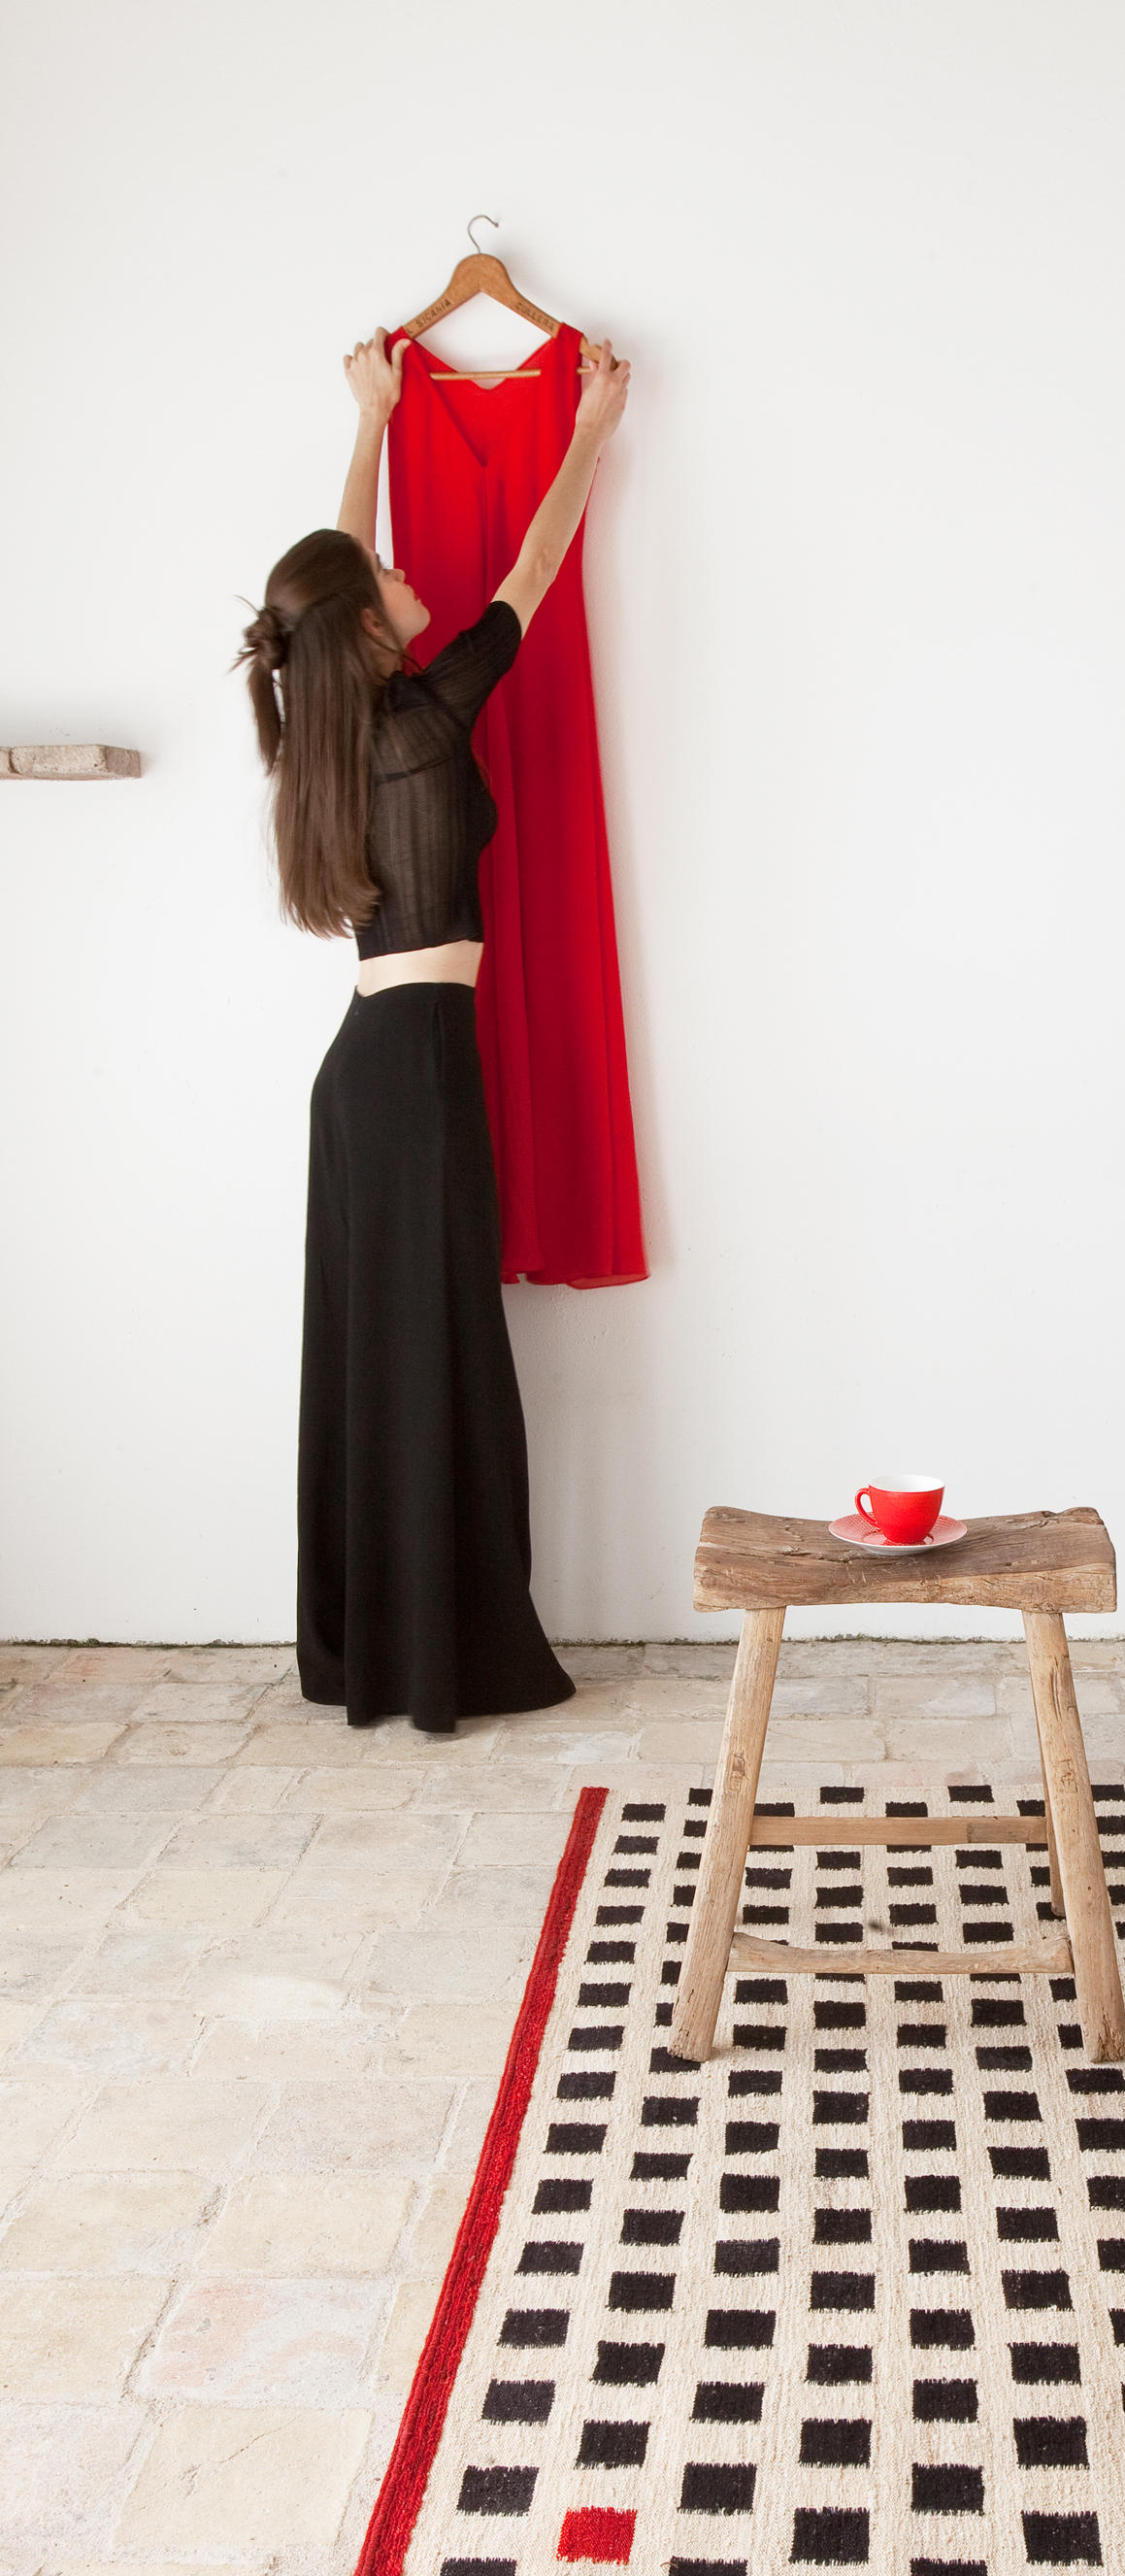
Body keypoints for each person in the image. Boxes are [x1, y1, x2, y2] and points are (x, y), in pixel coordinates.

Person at [239, 329, 631, 1731]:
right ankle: (439, 1655)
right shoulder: (415, 719)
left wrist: (371, 422)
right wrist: (591, 434)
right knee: (435, 1355)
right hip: (409, 1073)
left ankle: (388, 1646)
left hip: (372, 1072)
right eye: (390, 577)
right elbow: (533, 566)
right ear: (366, 626)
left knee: (390, 1360)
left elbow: (334, 578)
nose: (408, 571)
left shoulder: (327, 730)